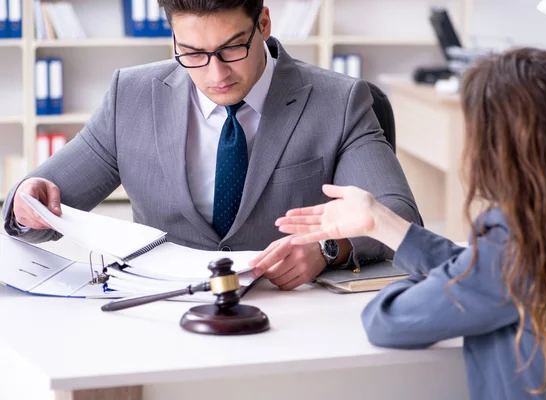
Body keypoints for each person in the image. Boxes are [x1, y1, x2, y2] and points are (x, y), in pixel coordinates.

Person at [1, 0, 422, 290]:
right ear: (173, 39)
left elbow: (401, 220)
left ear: (264, 24)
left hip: (291, 313)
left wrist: (328, 248)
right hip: (161, 314)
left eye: (231, 48)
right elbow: (37, 207)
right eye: (192, 52)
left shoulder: (338, 101)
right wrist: (27, 205)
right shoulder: (131, 96)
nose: (215, 73)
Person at [274, 47, 546, 399]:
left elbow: (388, 320)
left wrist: (425, 280)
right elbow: (480, 274)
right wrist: (381, 223)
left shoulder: (515, 243)